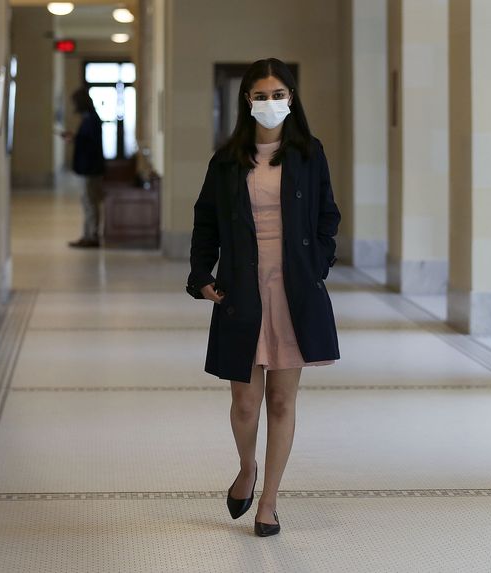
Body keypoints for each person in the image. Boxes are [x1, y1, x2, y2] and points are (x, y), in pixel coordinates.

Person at [185, 58, 341, 537]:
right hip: (242, 290)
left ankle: (269, 501)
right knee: (246, 402)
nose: (270, 103)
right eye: (260, 95)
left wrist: (318, 264)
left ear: (291, 99)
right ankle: (247, 468)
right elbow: (206, 220)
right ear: (246, 100)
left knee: (281, 401)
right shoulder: (226, 160)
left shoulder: (309, 154)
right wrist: (201, 274)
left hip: (294, 292)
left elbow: (328, 216)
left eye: (278, 95)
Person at [62, 87, 106, 248]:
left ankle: (92, 236)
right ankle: (87, 234)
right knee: (87, 202)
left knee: (90, 203)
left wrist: (76, 139)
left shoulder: (92, 119)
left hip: (91, 168)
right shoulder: (89, 118)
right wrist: (76, 138)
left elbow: (90, 144)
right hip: (89, 167)